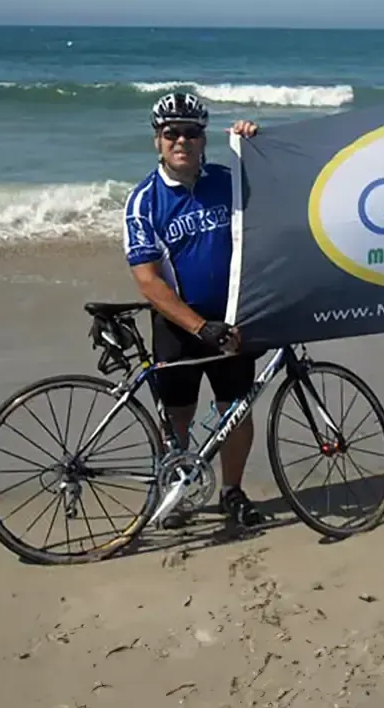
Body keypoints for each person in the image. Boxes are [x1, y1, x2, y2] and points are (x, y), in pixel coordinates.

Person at [123, 90, 264, 529]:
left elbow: (280, 187)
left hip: (232, 319)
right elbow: (149, 281)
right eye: (171, 133)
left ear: (204, 139)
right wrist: (201, 328)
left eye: (191, 133)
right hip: (180, 326)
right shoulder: (144, 201)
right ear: (157, 141)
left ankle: (231, 492)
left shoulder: (229, 180)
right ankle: (179, 487)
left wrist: (256, 143)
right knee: (178, 414)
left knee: (235, 410)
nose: (180, 141)